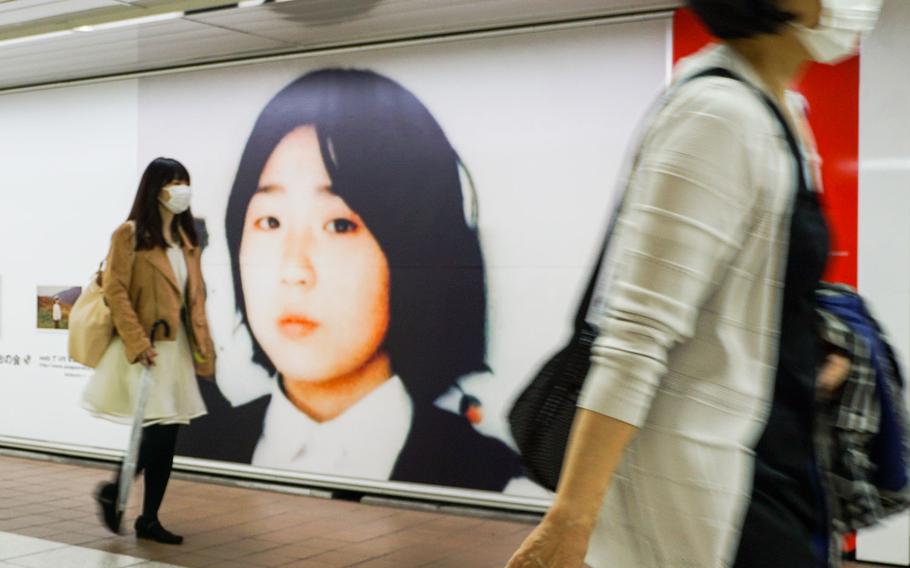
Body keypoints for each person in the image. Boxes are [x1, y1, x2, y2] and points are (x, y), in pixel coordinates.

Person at [505, 0, 880, 566]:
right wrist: (570, 521)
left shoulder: (782, 110)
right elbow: (635, 335)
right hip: (710, 482)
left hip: (776, 454)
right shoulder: (718, 115)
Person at [177, 68, 522, 491]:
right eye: (270, 221)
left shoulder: (491, 482)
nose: (294, 270)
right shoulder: (199, 451)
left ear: (415, 246)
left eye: (340, 225)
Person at [83, 157, 216, 545]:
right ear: (155, 188)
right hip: (146, 347)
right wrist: (137, 340)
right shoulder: (129, 235)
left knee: (167, 436)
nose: (181, 190)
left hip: (176, 351)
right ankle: (114, 489)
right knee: (156, 433)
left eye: (184, 182)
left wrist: (204, 345)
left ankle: (148, 517)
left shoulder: (186, 240)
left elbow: (195, 300)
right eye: (173, 182)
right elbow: (116, 290)